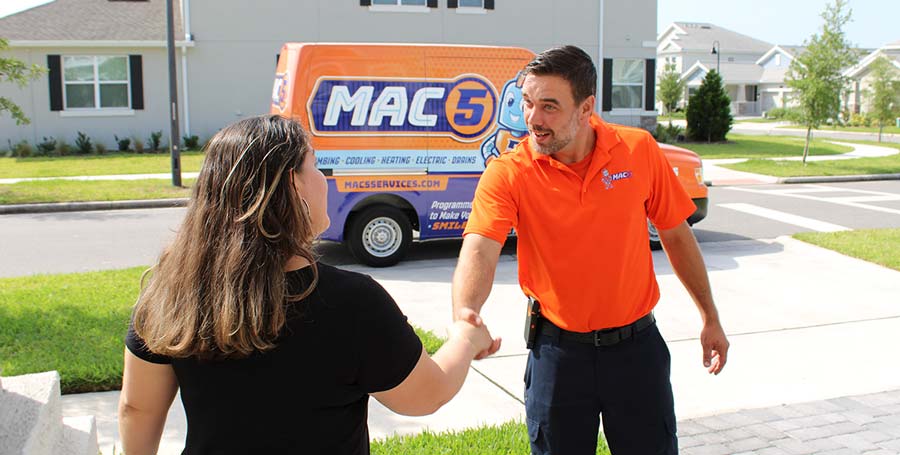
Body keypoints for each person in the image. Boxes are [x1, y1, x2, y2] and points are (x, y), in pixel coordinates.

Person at [118, 115, 496, 455]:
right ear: (291, 186)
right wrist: (465, 338)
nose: (325, 179)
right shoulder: (352, 302)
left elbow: (138, 408)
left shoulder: (170, 295)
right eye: (315, 166)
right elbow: (425, 396)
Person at [452, 45, 730, 455]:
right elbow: (480, 248)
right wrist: (465, 313)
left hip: (637, 353)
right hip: (557, 355)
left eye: (549, 106)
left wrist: (710, 317)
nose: (533, 118)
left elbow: (675, 235)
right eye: (528, 102)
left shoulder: (638, 150)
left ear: (586, 109)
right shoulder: (509, 172)